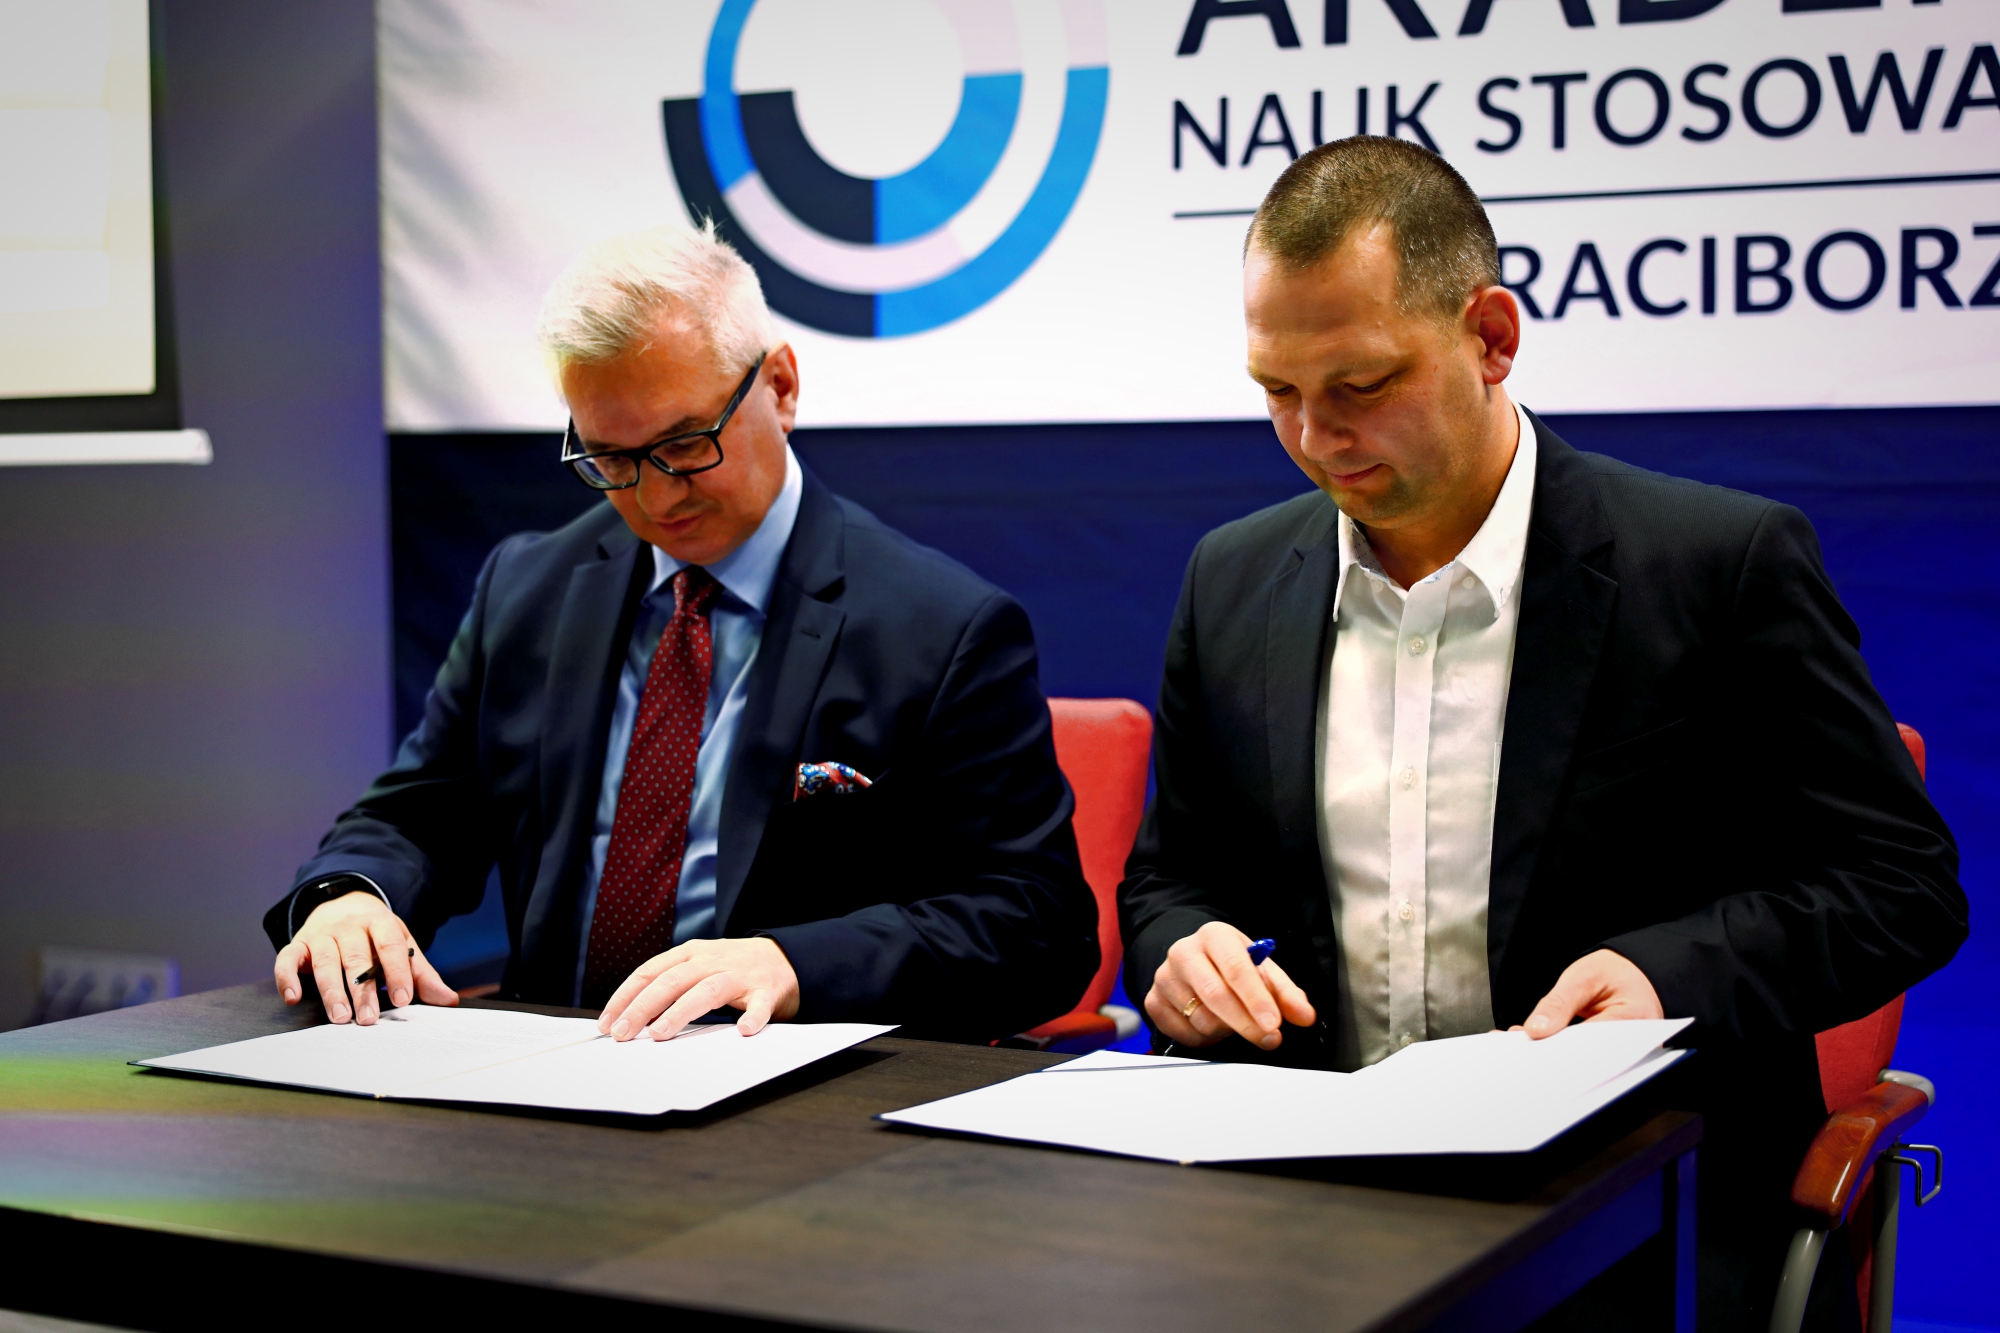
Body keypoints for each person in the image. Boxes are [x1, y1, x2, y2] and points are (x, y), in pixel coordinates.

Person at [1118, 137, 1965, 1329]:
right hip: (1302, 1206)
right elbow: (1168, 877)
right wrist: (1182, 948)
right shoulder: (1232, 579)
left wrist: (1668, 971)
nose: (1314, 436)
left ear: (1490, 337)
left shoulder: (1715, 565)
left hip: (1633, 1212)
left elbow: (1902, 886)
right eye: (1276, 391)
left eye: (1361, 384)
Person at [266, 222, 1097, 1045]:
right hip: (544, 1067)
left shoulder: (941, 628)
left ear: (781, 387)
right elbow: (417, 815)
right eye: (610, 460)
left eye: (686, 445)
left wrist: (795, 964)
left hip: (785, 1085)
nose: (656, 498)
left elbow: (1039, 924)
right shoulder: (527, 589)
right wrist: (351, 895)